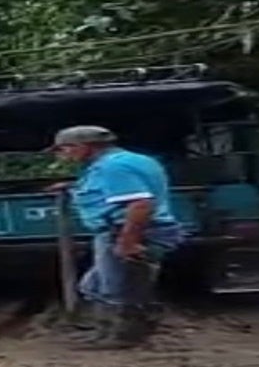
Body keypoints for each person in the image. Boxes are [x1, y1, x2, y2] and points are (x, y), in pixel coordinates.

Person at [50, 125, 185, 348]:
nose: (62, 154)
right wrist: (73, 187)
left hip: (127, 230)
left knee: (117, 287)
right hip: (131, 229)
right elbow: (117, 190)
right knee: (94, 286)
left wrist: (127, 242)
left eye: (63, 149)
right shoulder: (129, 161)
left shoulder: (112, 167)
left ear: (84, 146)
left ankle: (125, 336)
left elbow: (141, 204)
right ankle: (107, 331)